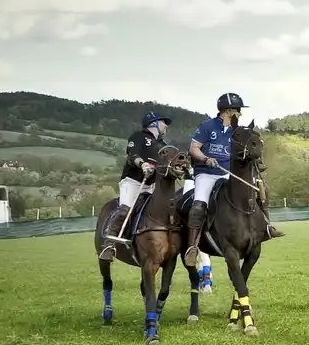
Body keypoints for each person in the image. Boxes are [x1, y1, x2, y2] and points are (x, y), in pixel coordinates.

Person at [183, 92, 283, 265]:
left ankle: (267, 227)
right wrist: (206, 159)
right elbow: (193, 148)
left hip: (229, 173)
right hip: (206, 173)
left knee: (260, 191)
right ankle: (192, 247)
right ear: (228, 111)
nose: (240, 114)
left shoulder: (237, 131)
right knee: (198, 206)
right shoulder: (207, 126)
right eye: (238, 110)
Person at [99, 110, 171, 260]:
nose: (166, 126)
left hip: (152, 185)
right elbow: (132, 155)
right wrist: (143, 164)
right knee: (125, 210)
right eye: (163, 122)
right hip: (133, 181)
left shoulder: (163, 145)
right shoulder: (138, 137)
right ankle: (109, 244)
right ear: (153, 123)